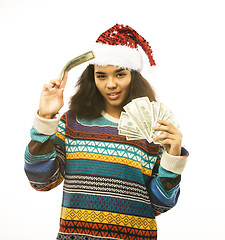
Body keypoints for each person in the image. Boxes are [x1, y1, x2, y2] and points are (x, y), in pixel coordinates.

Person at [24, 24, 189, 240]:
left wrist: (172, 158)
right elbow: (42, 181)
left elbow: (160, 204)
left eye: (120, 74)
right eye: (101, 76)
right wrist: (45, 119)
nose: (110, 84)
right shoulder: (72, 123)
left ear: (134, 76)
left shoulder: (154, 129)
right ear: (92, 78)